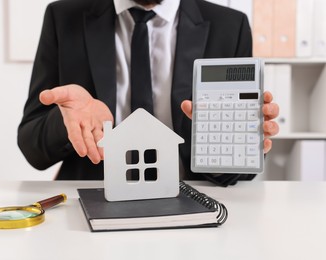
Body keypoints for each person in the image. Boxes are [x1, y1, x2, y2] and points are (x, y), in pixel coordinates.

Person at [18, 0, 279, 186]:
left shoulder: (229, 26)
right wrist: (68, 122)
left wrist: (240, 146)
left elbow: (234, 176)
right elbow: (33, 149)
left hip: (190, 204)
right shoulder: (63, 18)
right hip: (95, 201)